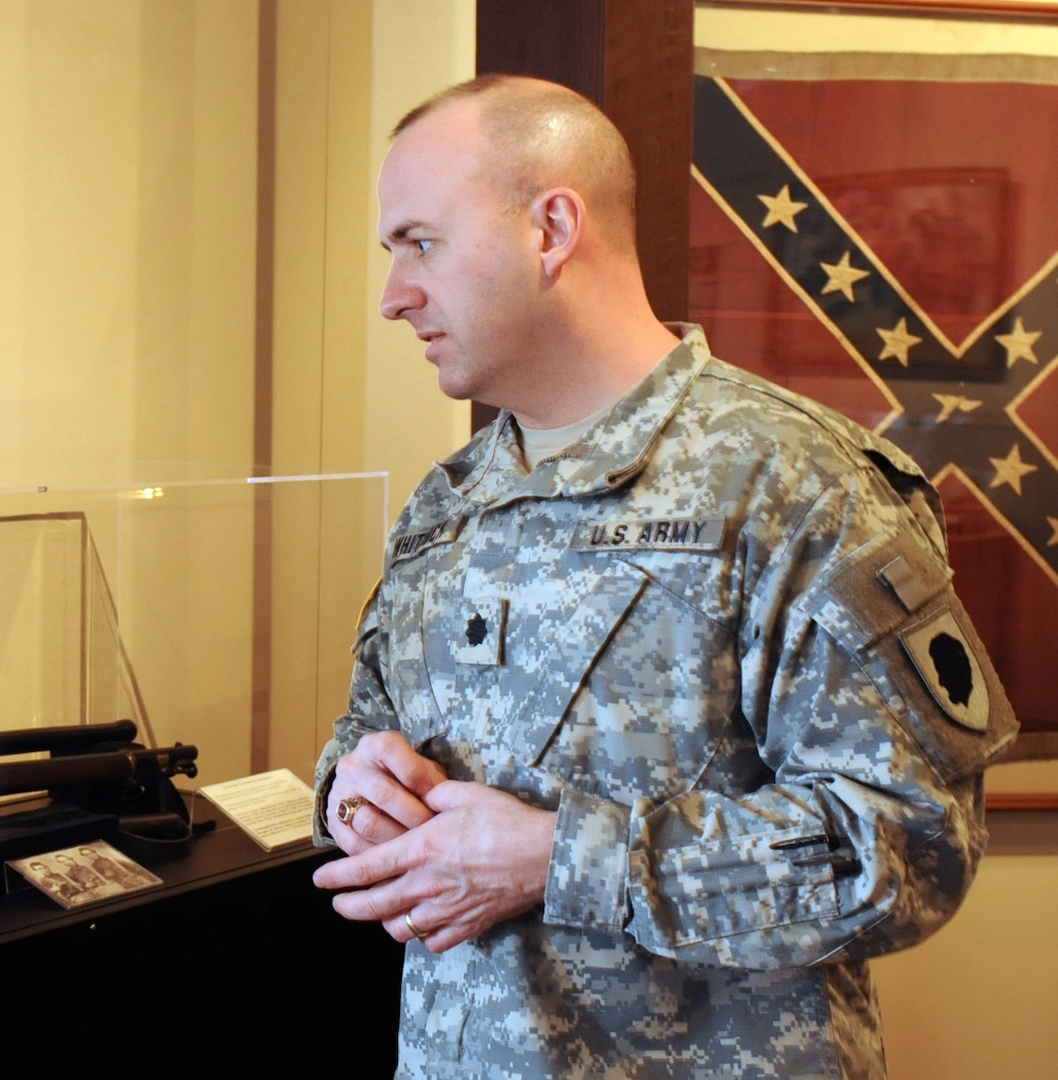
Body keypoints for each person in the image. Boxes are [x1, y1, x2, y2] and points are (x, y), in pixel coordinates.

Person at [310, 75, 1017, 1078]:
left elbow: (909, 846)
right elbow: (361, 735)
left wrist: (559, 861)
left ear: (551, 228)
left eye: (421, 243)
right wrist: (352, 792)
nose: (393, 296)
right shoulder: (449, 502)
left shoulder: (798, 483)